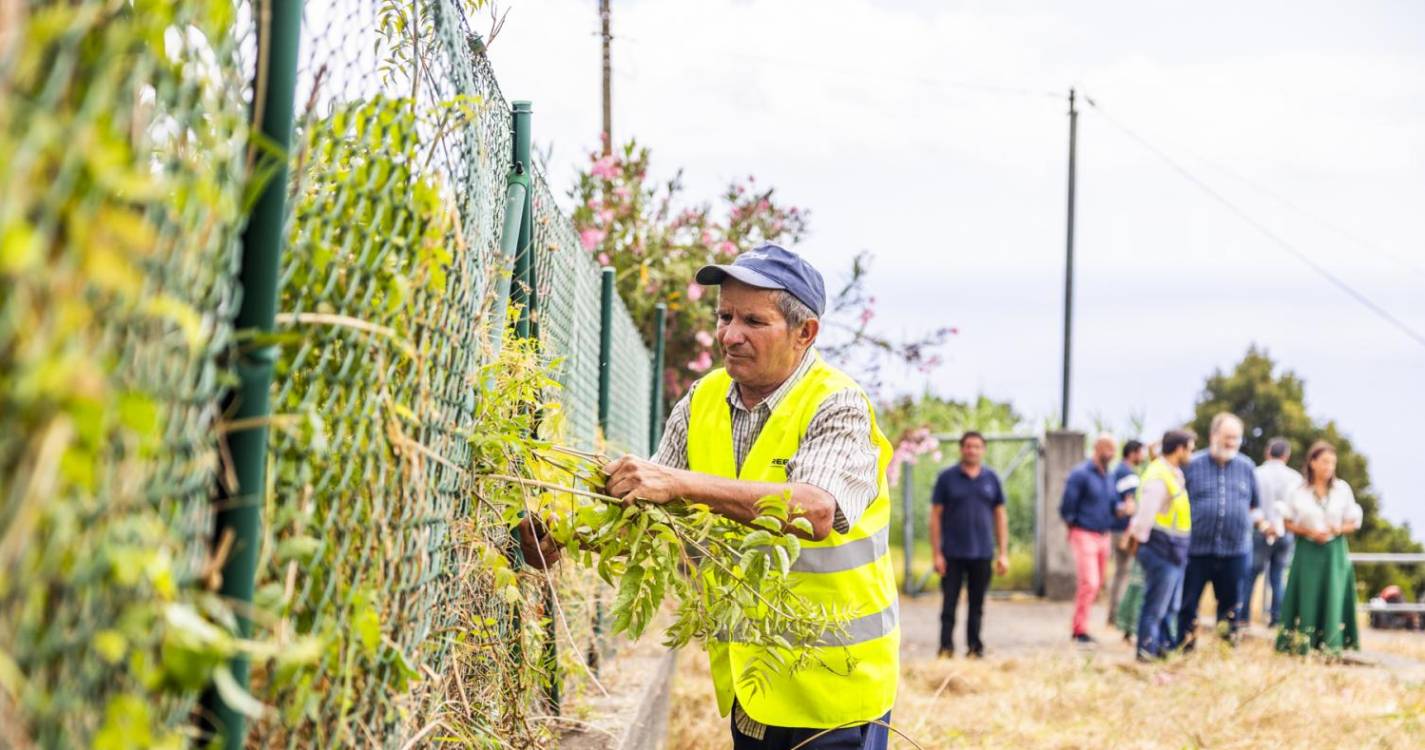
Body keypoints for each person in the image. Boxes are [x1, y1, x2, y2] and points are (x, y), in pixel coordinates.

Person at [521, 245, 896, 749]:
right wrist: (566, 534)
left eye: (753, 321)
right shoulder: (702, 401)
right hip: (753, 691)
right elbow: (649, 514)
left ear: (805, 333)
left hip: (837, 694)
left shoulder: (837, 404)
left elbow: (816, 510)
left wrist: (679, 483)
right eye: (724, 316)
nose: (730, 335)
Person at [1177, 412, 1260, 649]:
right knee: (1188, 604)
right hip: (1196, 550)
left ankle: (1225, 650)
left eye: (1236, 438)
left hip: (1235, 550)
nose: (1231, 442)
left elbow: (1255, 505)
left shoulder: (1246, 467)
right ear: (1214, 435)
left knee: (1231, 606)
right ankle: (1184, 647)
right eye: (1227, 437)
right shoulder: (1192, 465)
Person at [1276, 441, 1363, 655]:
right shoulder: (1298, 490)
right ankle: (1301, 642)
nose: (1329, 467)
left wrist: (1338, 529)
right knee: (1307, 596)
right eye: (1325, 462)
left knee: (1333, 594)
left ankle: (1332, 643)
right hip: (1308, 550)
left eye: (1332, 463)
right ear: (1312, 463)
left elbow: (1353, 521)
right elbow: (1287, 521)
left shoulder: (1342, 489)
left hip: (1334, 551)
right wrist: (1309, 532)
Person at [930, 431, 1010, 658]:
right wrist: (937, 553)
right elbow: (935, 516)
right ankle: (946, 649)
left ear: (983, 450)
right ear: (961, 449)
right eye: (968, 446)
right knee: (949, 604)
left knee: (977, 605)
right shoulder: (947, 478)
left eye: (977, 446)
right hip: (952, 553)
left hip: (982, 553)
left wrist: (1003, 553)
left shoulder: (991, 479)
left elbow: (1000, 516)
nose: (972, 450)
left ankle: (974, 649)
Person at [1123, 429, 1196, 660]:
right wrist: (1137, 544)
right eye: (1190, 449)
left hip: (1174, 549)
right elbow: (1145, 516)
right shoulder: (1158, 476)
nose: (1191, 454)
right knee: (1155, 606)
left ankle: (1162, 648)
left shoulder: (1173, 473)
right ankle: (1147, 651)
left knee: (1169, 607)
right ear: (1179, 449)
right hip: (1161, 548)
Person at [1059, 434, 1123, 643]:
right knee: (1090, 582)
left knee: (1098, 583)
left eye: (1114, 449)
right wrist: (1074, 527)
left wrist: (1123, 508)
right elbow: (1067, 506)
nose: (1112, 453)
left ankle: (1082, 625)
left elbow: (1114, 504)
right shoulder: (1080, 474)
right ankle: (1079, 630)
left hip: (1104, 535)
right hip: (1084, 532)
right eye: (1108, 448)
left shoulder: (1109, 476)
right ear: (1097, 447)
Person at [1247, 438, 1301, 626]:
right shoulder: (1295, 478)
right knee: (1278, 577)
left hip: (1260, 529)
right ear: (1286, 455)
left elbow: (1250, 503)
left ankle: (1243, 617)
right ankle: (1277, 619)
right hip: (1284, 532)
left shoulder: (1256, 473)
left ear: (1267, 452)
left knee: (1250, 575)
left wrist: (1265, 525)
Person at [1108, 440, 1146, 632]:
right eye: (1141, 452)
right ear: (1132, 453)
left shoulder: (1117, 470)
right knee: (1126, 573)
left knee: (1120, 572)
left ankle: (1113, 615)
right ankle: (1119, 616)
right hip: (1125, 530)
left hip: (1116, 528)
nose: (1143, 456)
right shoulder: (1128, 474)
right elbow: (1130, 505)